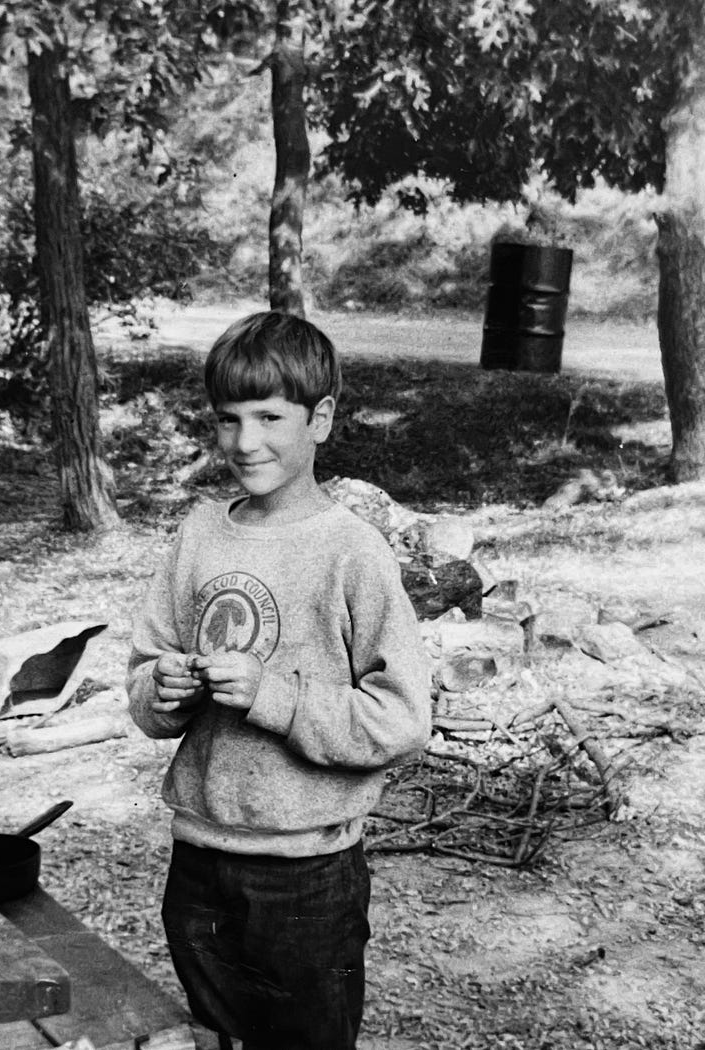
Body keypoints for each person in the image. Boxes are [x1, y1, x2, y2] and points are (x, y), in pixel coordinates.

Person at [126, 310, 431, 1050]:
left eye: (270, 416)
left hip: (307, 874)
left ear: (320, 418)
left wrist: (275, 697)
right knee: (215, 1036)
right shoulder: (200, 532)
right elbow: (143, 676)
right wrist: (161, 693)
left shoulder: (351, 553)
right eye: (228, 419)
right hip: (199, 859)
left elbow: (401, 719)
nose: (245, 441)